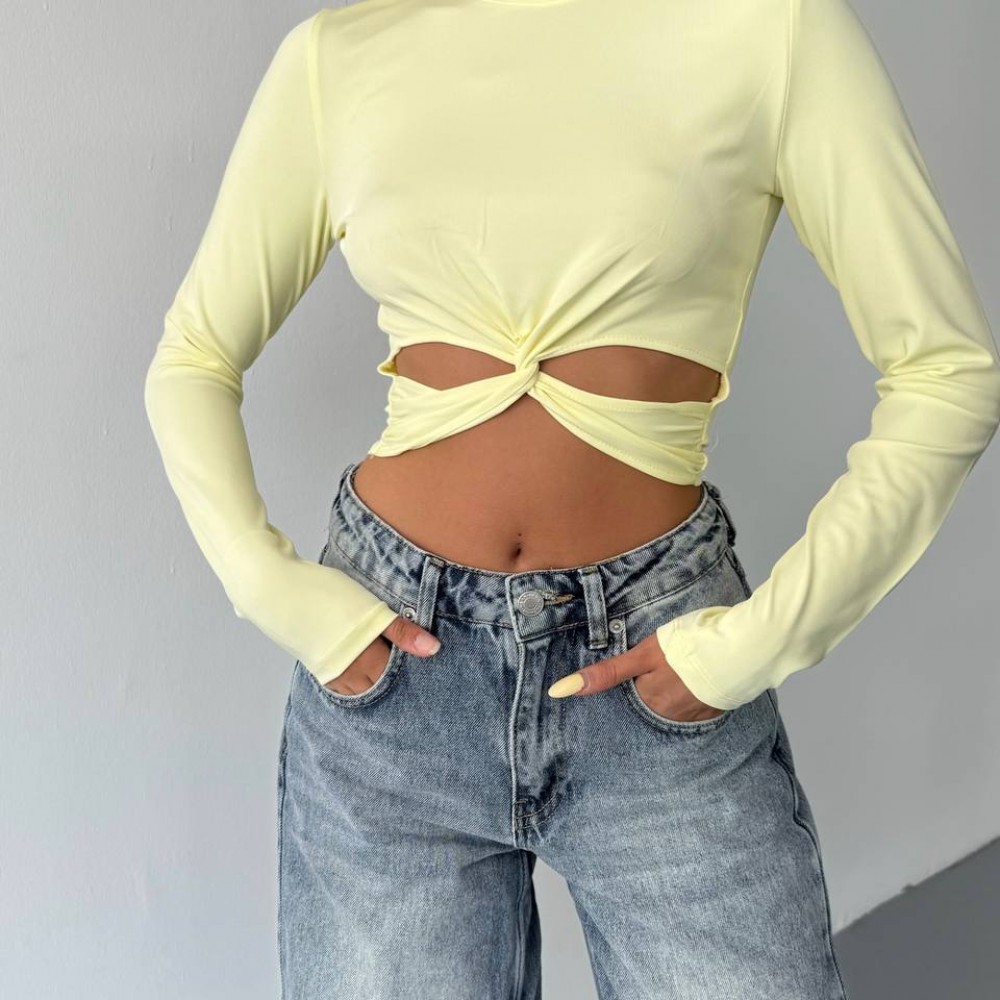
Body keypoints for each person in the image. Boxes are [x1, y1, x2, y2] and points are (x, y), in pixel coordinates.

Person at [144, 1, 1000, 997]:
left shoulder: (773, 34)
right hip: (391, 683)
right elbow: (192, 357)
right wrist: (279, 595)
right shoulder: (340, 57)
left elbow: (947, 373)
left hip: (655, 660)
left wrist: (758, 642)